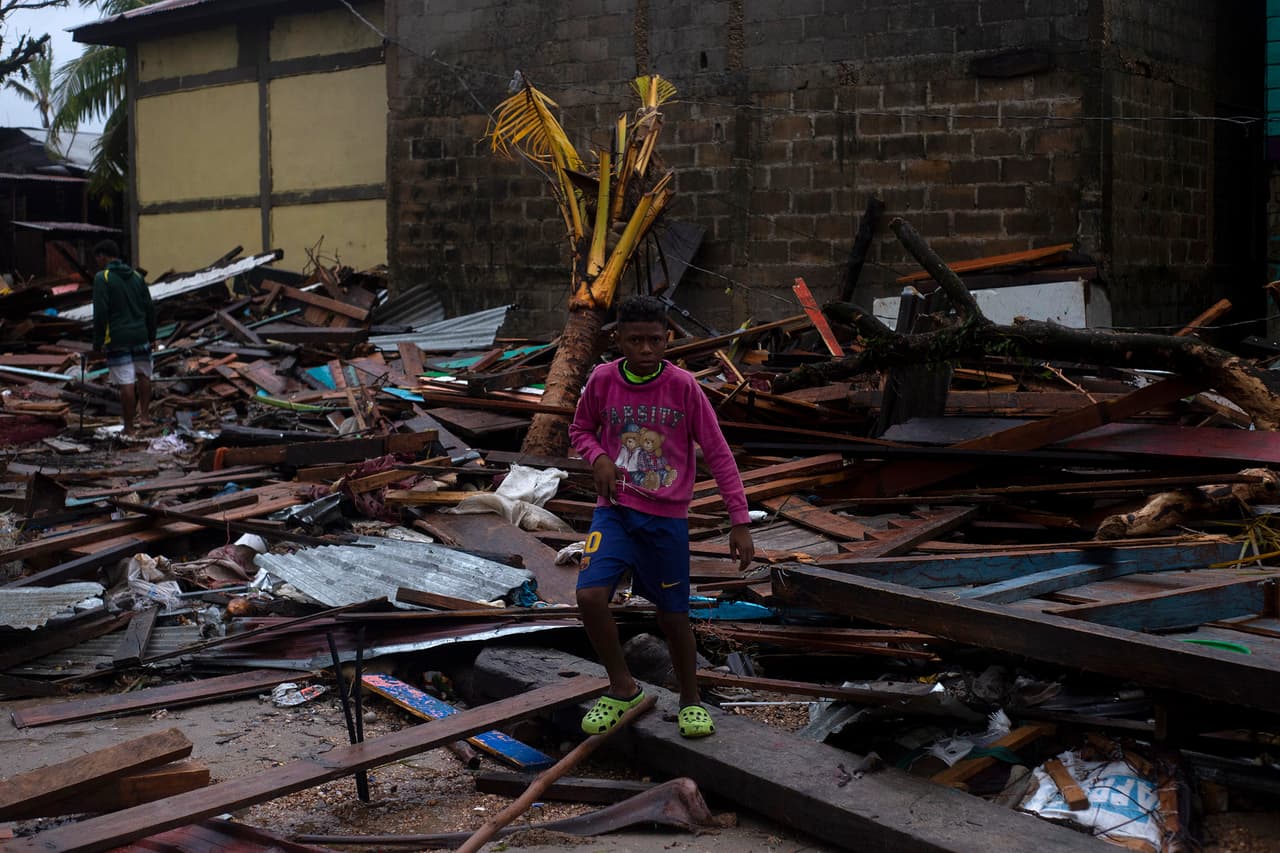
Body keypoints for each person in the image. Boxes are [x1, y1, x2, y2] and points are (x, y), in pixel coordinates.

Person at [569, 294, 755, 738]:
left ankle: (691, 699)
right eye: (636, 340)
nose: (647, 350)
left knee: (672, 617)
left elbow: (718, 452)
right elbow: (580, 429)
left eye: (655, 340)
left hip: (666, 520)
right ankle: (622, 687)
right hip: (614, 513)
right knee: (590, 597)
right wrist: (597, 457)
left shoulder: (684, 387)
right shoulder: (601, 380)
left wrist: (740, 520)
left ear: (667, 338)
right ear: (618, 340)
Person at [91, 239, 156, 434]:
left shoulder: (103, 278)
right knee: (144, 376)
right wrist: (151, 334)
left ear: (103, 256)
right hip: (141, 335)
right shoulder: (137, 276)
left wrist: (98, 341)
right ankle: (145, 417)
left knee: (126, 382)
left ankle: (129, 427)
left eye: (97, 258)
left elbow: (101, 312)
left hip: (118, 337)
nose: (97, 262)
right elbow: (149, 307)